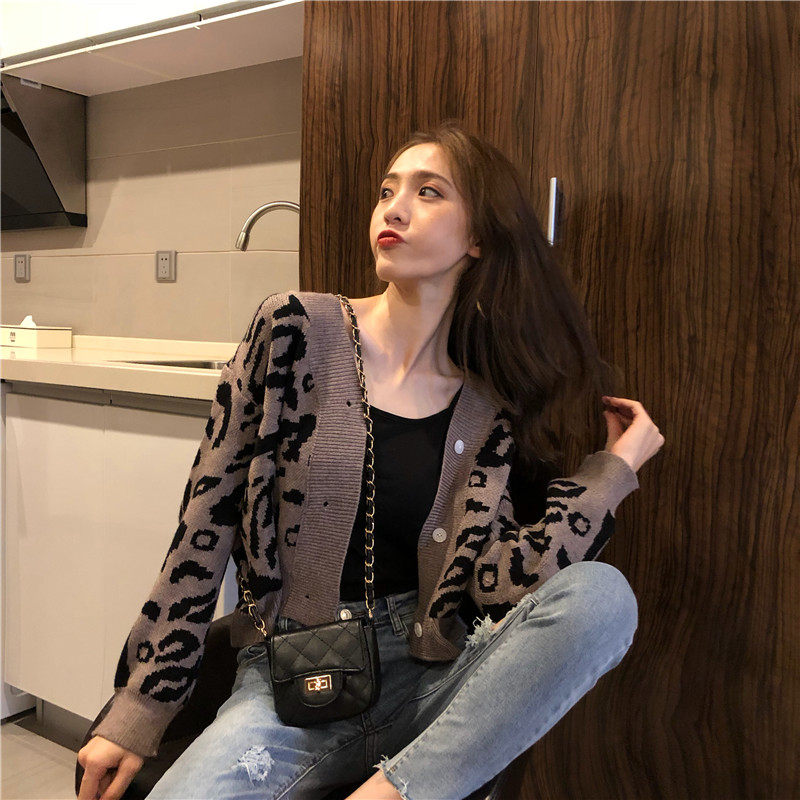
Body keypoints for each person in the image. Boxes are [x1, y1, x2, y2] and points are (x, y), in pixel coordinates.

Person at [77, 120, 664, 800]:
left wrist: (611, 473)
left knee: (602, 598)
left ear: (478, 237)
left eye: (429, 192)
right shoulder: (295, 331)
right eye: (388, 190)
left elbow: (501, 585)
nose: (395, 208)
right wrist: (141, 711)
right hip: (291, 680)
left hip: (436, 680)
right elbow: (202, 526)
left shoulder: (488, 407)